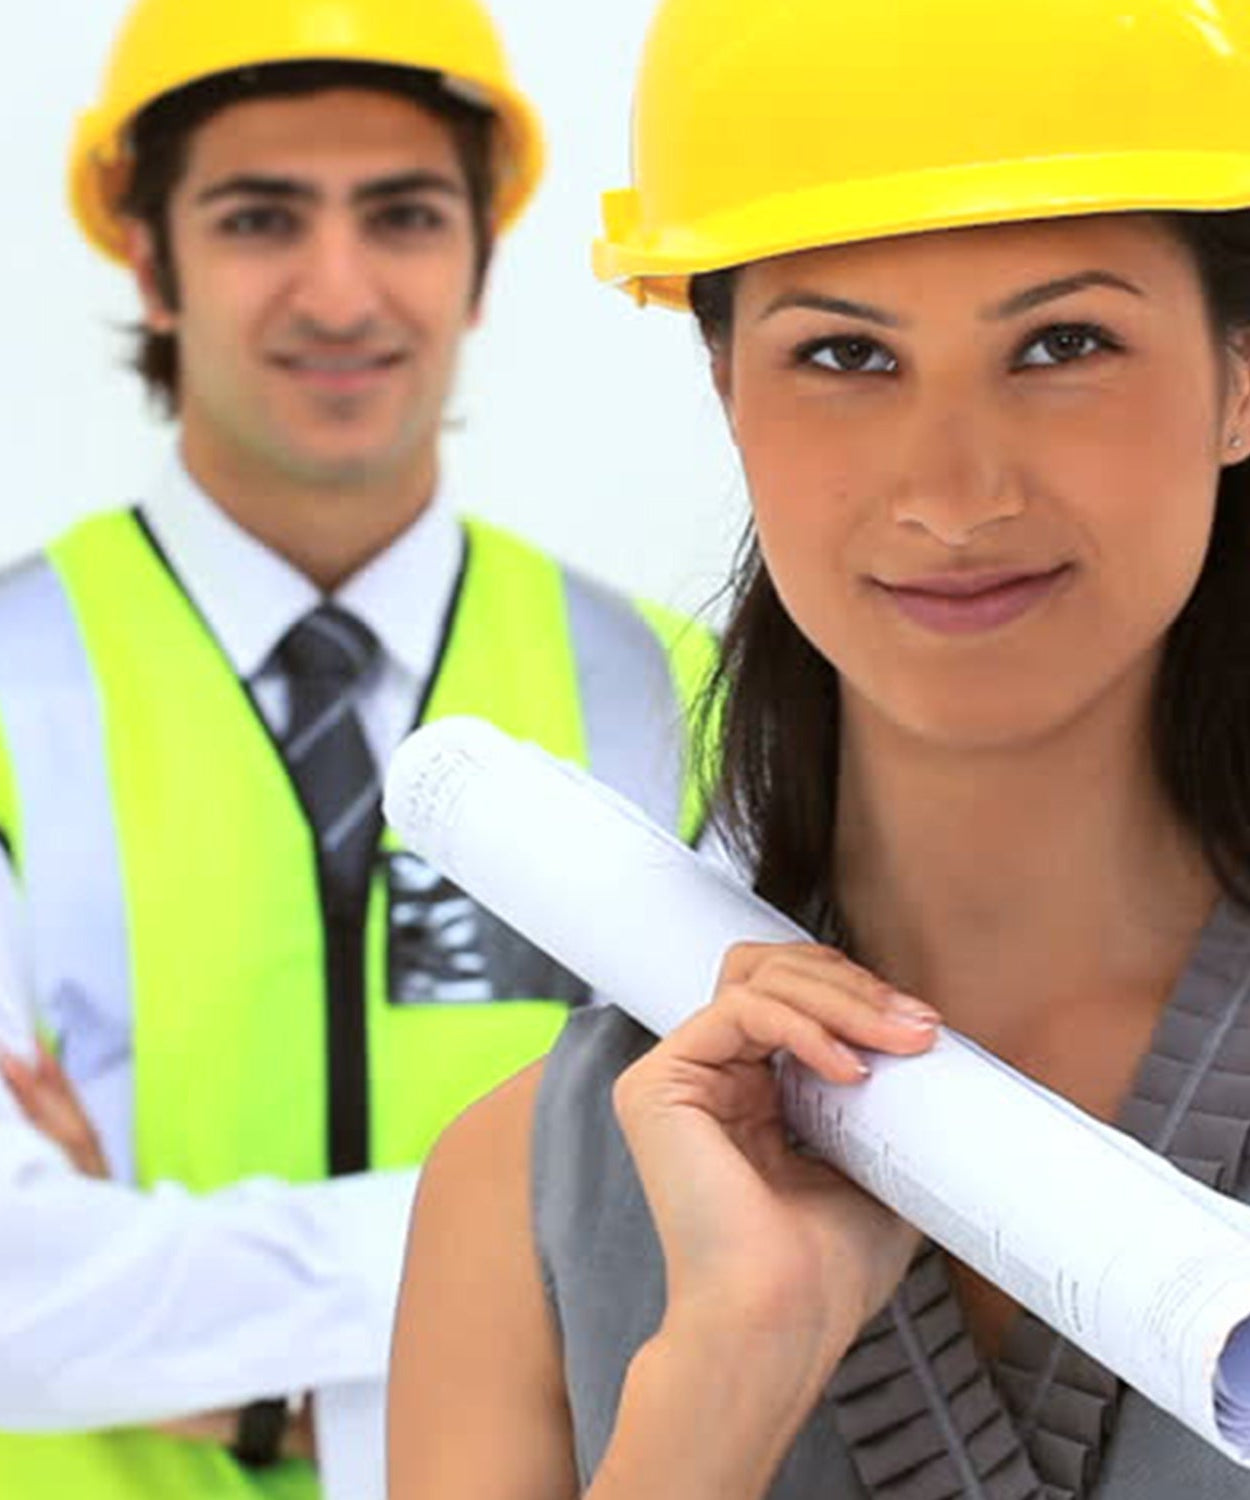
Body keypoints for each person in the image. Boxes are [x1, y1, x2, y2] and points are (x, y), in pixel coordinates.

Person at [386, 0, 1250, 1495]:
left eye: (1062, 342)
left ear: (1240, 379)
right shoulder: (524, 1199)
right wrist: (722, 1376)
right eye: (845, 355)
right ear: (724, 389)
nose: (952, 489)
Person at [0, 0, 712, 1497]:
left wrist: (152, 1301)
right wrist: (558, 1224)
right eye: (262, 217)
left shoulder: (676, 690)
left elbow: (771, 1196)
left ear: (478, 258)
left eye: (399, 215)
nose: (339, 292)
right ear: (149, 255)